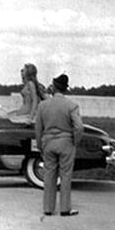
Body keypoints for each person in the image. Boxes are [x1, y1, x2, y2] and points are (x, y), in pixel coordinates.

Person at [35, 74, 84, 217]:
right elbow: (79, 127)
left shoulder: (43, 105)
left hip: (48, 143)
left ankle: (48, 208)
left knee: (49, 175)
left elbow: (38, 128)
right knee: (66, 175)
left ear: (54, 87)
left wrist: (40, 145)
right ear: (66, 89)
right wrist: (75, 141)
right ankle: (65, 208)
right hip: (66, 142)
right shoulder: (72, 105)